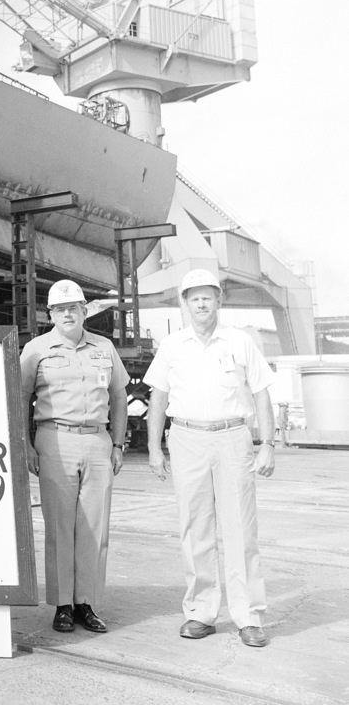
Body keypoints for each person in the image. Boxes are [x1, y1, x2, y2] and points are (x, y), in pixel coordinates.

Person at [144, 268, 276, 649]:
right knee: (194, 528)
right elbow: (158, 399)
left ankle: (248, 617)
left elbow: (263, 392)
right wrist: (154, 448)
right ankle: (201, 613)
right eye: (193, 297)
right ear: (184, 304)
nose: (201, 303)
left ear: (220, 300)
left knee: (241, 530)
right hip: (186, 438)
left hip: (233, 437)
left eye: (208, 296)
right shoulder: (172, 345)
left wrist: (267, 442)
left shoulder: (240, 341)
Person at [20, 278, 129, 634]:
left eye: (73, 308)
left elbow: (118, 398)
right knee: (59, 526)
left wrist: (117, 444)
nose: (67, 314)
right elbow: (20, 399)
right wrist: (26, 444)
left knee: (94, 528)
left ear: (84, 311)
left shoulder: (104, 348)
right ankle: (62, 605)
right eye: (59, 309)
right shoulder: (36, 349)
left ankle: (87, 603)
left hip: (97, 441)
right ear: (50, 314)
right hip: (55, 439)